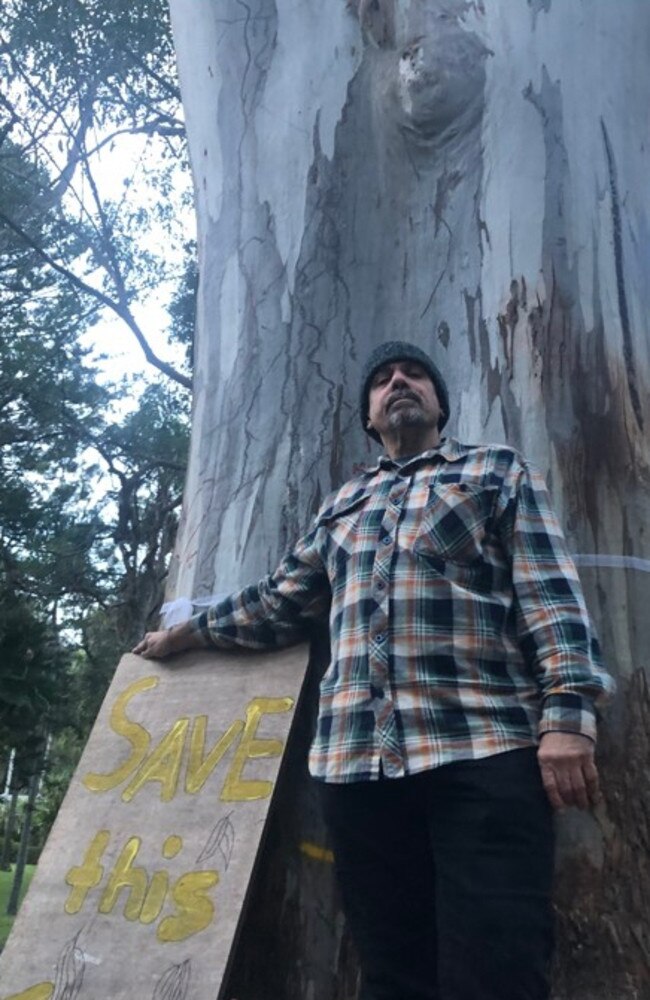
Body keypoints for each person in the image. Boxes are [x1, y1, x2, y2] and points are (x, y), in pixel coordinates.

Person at [134, 341, 614, 1000]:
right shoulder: (343, 506)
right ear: (369, 416)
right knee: (392, 972)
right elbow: (278, 604)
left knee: (499, 965)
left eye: (413, 374)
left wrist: (568, 722)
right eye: (383, 380)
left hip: (482, 755)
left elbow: (552, 601)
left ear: (441, 402)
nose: (398, 383)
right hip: (358, 772)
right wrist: (190, 632)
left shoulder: (496, 472)